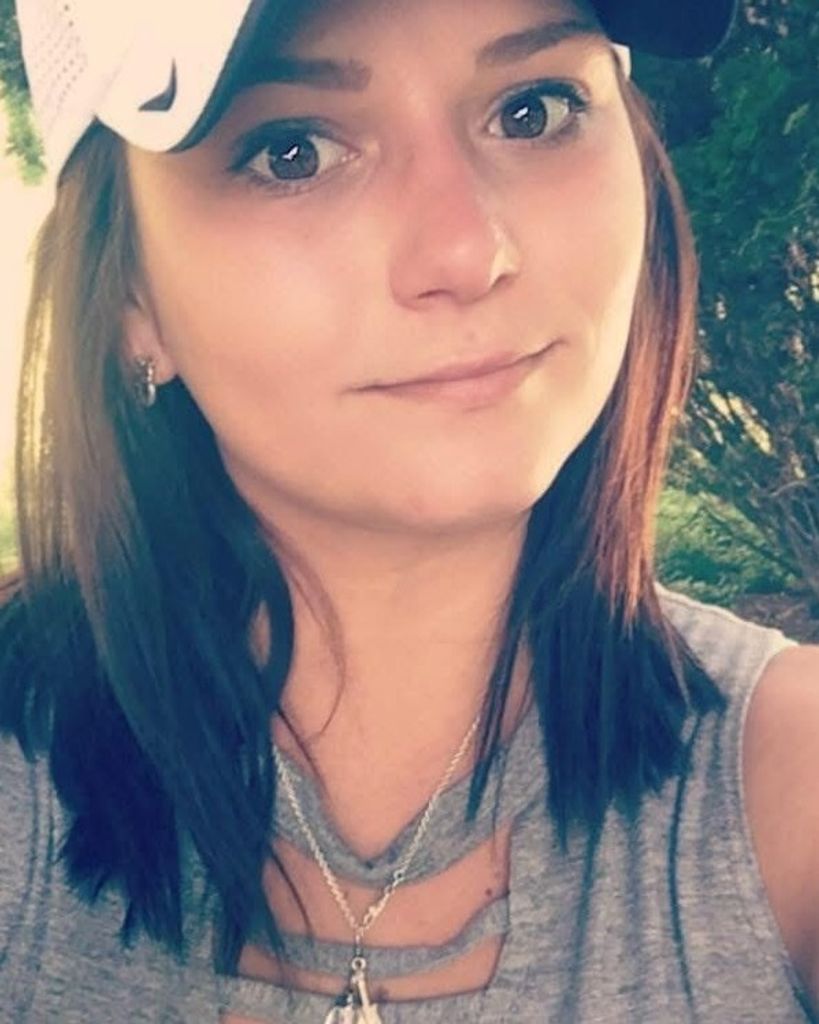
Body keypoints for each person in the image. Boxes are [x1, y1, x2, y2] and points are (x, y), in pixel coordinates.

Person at [1, 0, 818, 1021]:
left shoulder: (791, 792)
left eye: (532, 110)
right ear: (127, 292)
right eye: (293, 152)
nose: (466, 252)